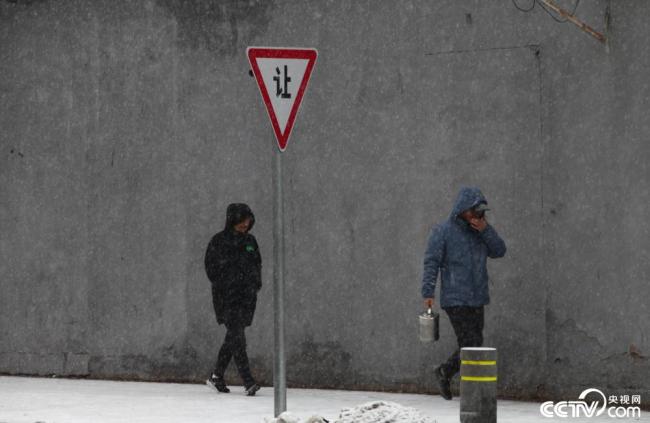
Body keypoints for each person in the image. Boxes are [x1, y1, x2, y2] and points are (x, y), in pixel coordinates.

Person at [421, 187, 506, 400]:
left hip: (477, 297)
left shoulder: (481, 231)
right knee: (472, 343)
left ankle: (449, 374)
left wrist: (485, 229)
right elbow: (432, 261)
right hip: (455, 298)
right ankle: (449, 374)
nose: (477, 216)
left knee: (472, 345)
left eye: (480, 212)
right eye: (474, 211)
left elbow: (499, 251)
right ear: (462, 209)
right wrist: (428, 291)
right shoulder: (443, 231)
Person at [204, 203, 262, 396]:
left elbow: (257, 264)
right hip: (226, 298)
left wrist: (254, 284)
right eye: (242, 220)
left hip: (246, 297)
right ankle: (248, 381)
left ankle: (216, 376)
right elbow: (211, 268)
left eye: (247, 220)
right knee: (237, 336)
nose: (245, 224)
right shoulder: (218, 241)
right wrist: (227, 283)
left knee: (233, 337)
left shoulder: (250, 241)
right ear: (233, 220)